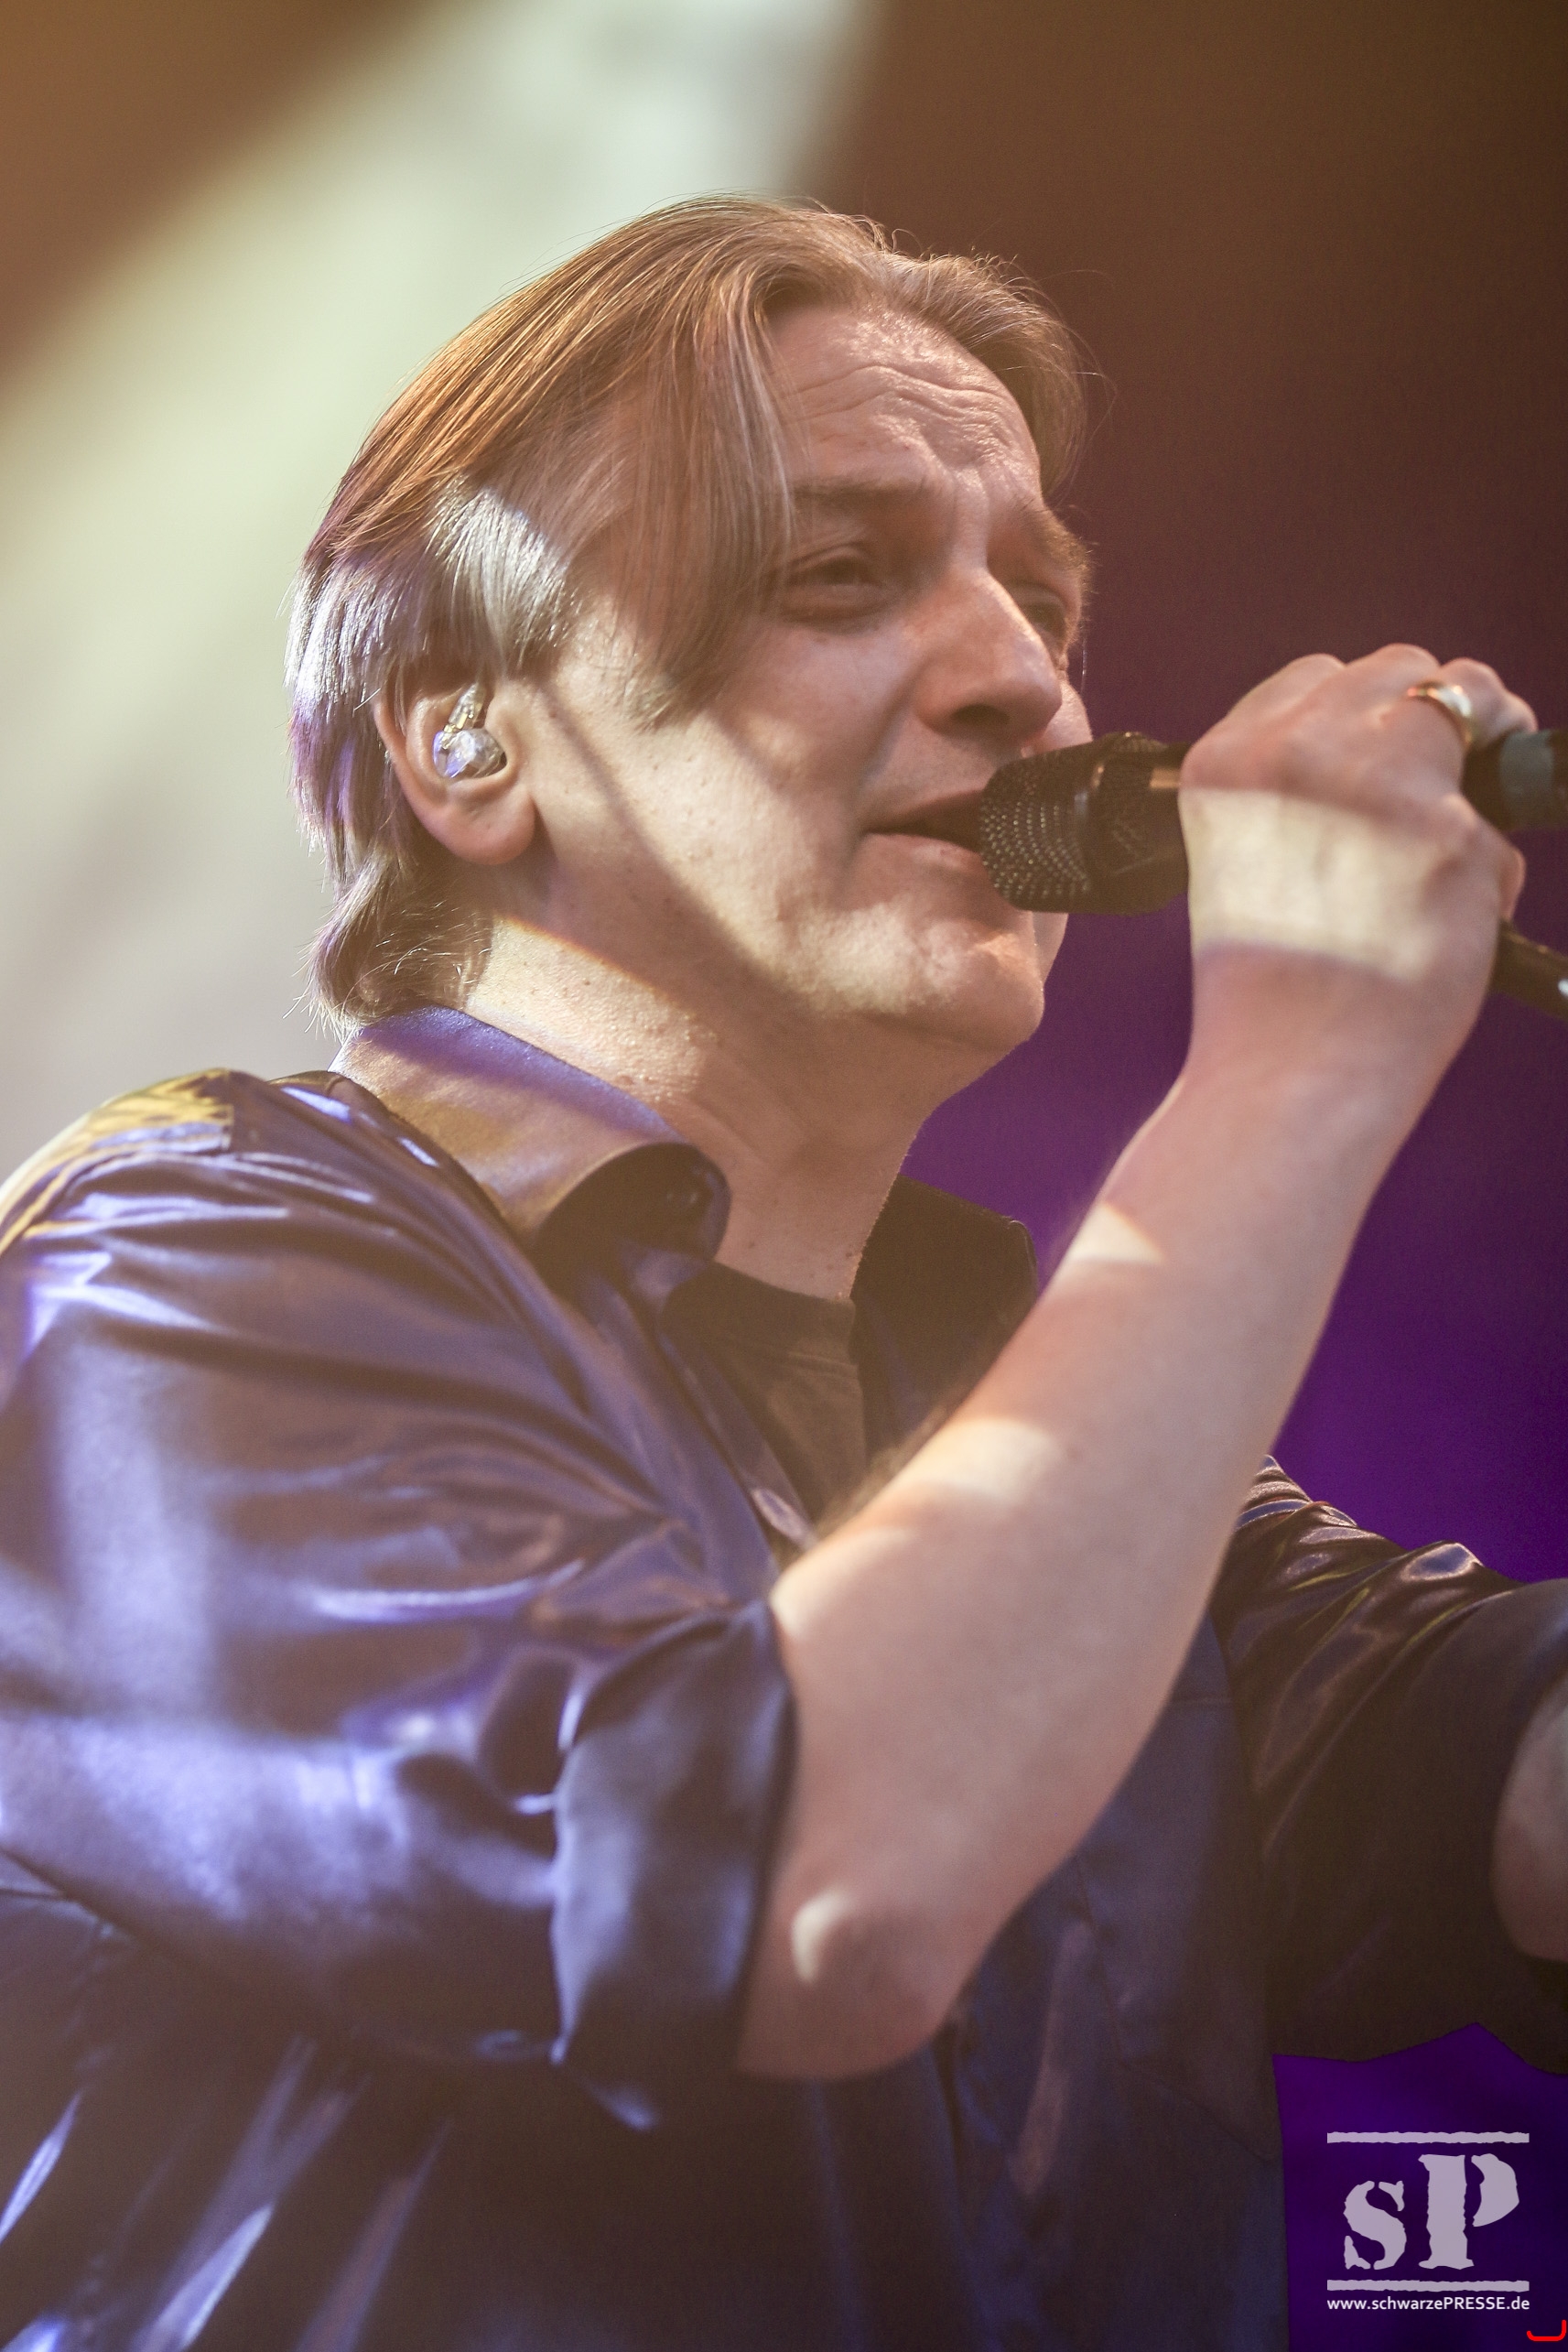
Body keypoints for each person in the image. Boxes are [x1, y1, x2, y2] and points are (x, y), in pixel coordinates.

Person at [0, 197, 1563, 2352]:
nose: (1021, 677)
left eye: (1037, 595)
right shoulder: (165, 1273)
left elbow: (1492, 1764)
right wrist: (1292, 1063)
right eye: (838, 575)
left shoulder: (1045, 1458)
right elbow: (787, 1883)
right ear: (470, 743)